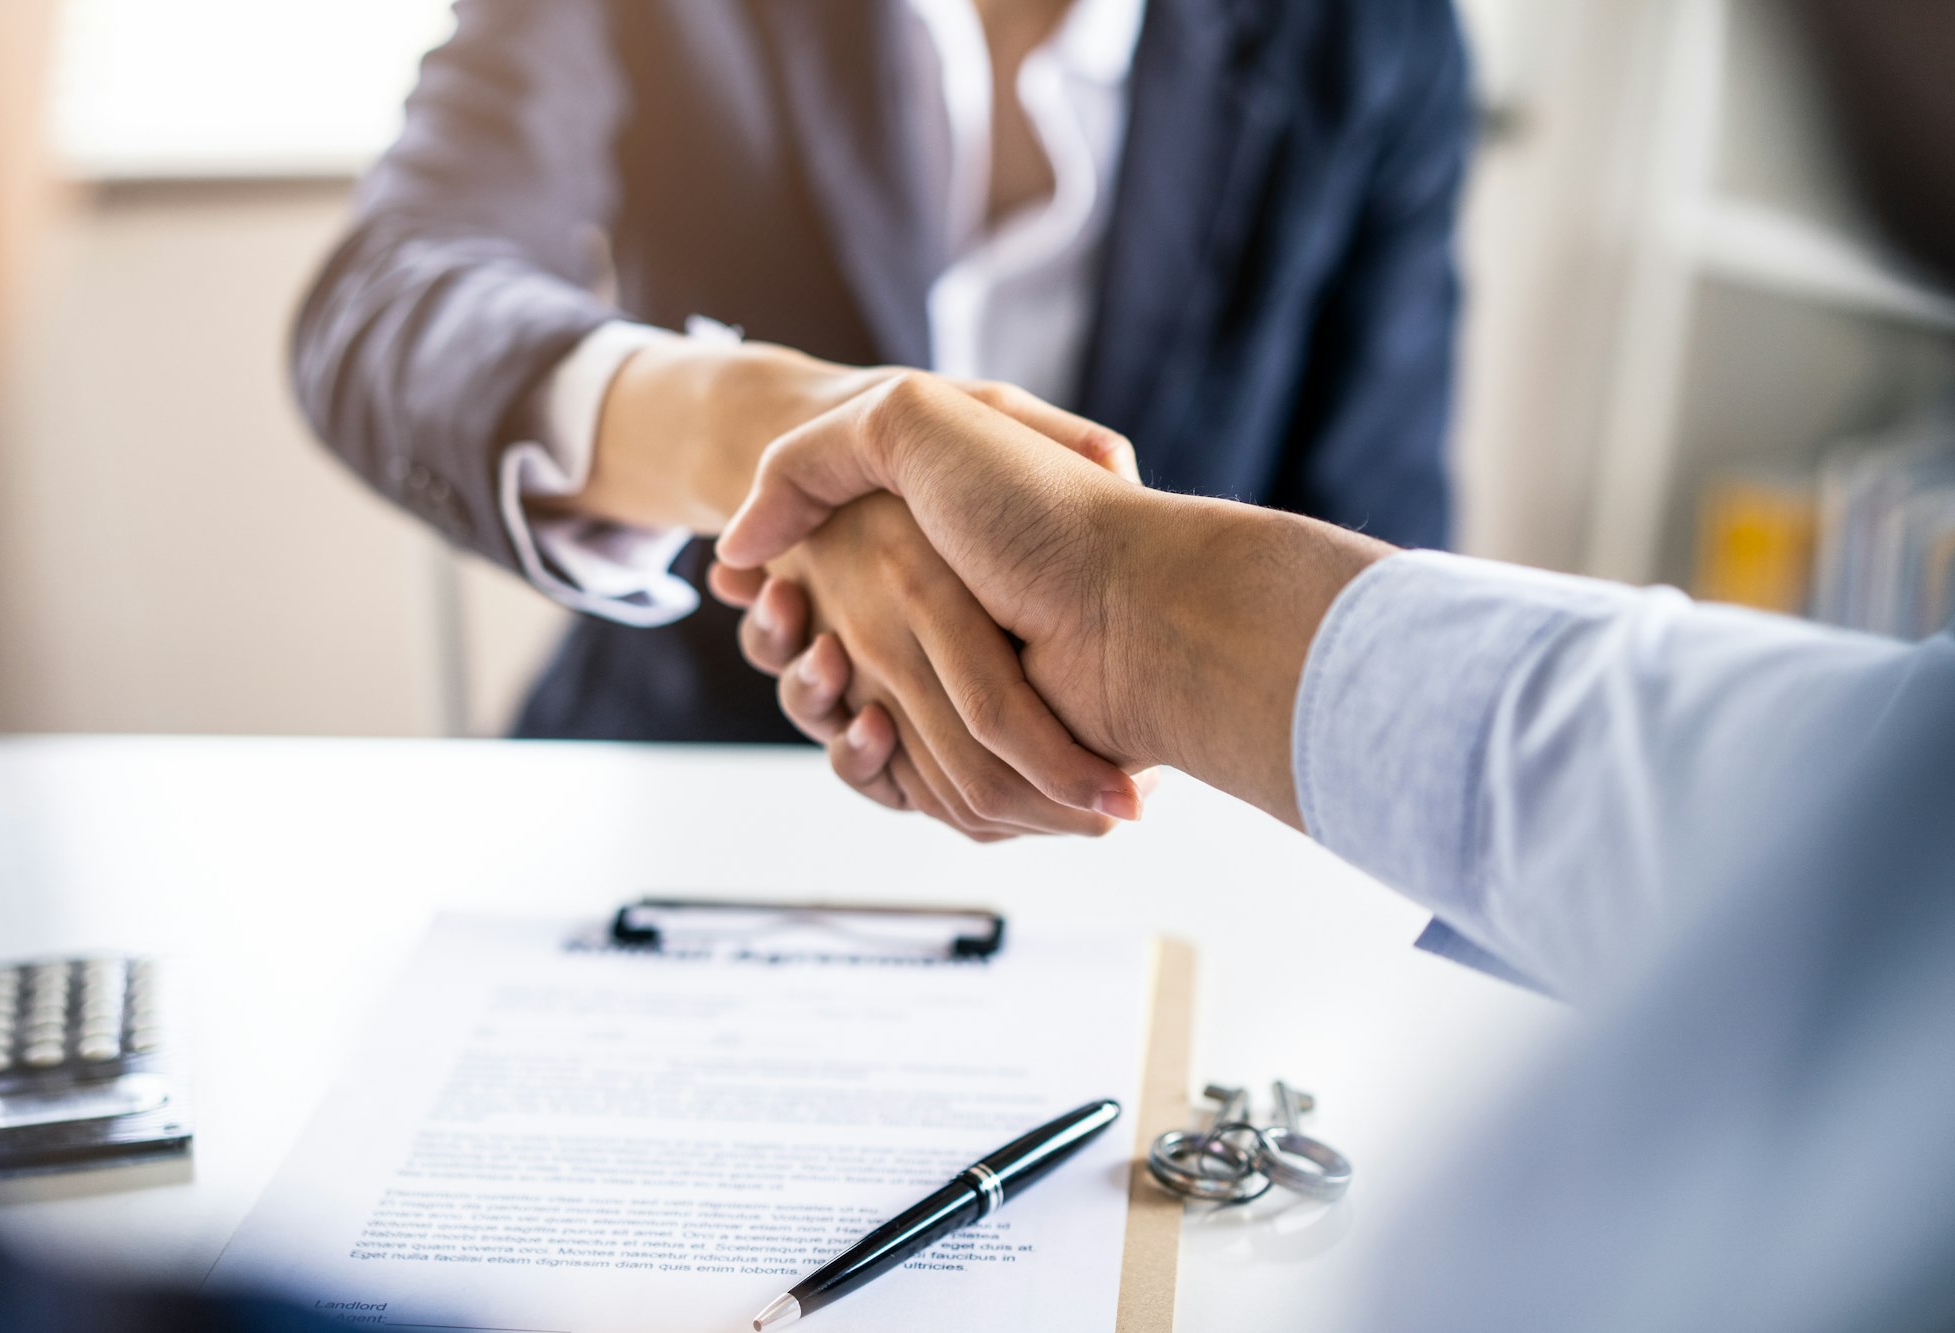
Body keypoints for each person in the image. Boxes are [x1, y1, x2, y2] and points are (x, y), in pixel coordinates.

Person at [704, 0, 1955, 1322]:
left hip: (1174, 852)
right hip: (694, 788)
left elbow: (1386, 498)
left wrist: (1116, 609)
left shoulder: (1373, 35)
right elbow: (458, 300)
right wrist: (795, 468)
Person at [291, 0, 1471, 839]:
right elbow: (390, 295)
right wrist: (781, 444)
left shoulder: (1371, 34)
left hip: (1156, 836)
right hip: (682, 781)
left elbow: (1373, 532)